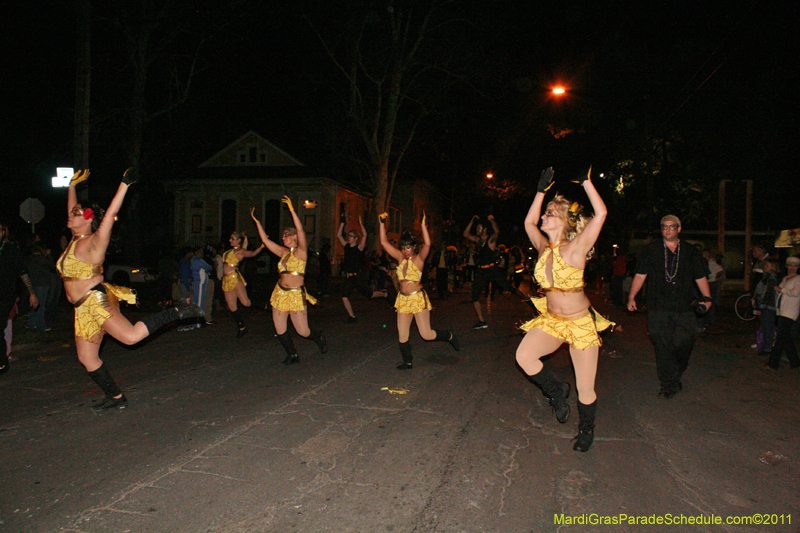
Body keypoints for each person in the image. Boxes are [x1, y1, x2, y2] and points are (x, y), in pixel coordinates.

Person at [57, 169, 203, 409]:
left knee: (131, 337)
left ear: (88, 219)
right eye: (71, 213)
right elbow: (72, 208)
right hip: (81, 308)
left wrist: (124, 184)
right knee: (87, 357)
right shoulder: (73, 239)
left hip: (96, 301)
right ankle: (116, 397)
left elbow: (110, 214)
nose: (70, 215)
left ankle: (179, 311)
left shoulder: (94, 242)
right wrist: (71, 186)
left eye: (76, 213)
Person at [515, 167, 611, 453]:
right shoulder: (543, 245)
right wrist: (540, 191)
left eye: (549, 213)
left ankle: (586, 430)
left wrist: (587, 183)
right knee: (524, 356)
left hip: (580, 323)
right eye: (545, 212)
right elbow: (528, 222)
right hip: (552, 320)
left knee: (585, 387)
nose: (543, 217)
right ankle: (557, 392)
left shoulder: (577, 247)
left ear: (563, 221)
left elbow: (601, 214)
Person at [627, 214, 712, 399]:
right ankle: (668, 383)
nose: (668, 230)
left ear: (679, 229)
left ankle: (675, 372)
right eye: (664, 226)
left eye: (672, 227)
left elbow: (700, 276)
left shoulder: (690, 251)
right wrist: (632, 296)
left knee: (685, 341)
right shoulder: (651, 250)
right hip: (658, 305)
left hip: (684, 306)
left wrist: (707, 298)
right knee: (662, 344)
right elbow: (640, 275)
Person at [379, 212, 459, 370]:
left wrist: (423, 225)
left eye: (408, 247)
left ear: (414, 247)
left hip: (417, 298)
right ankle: (408, 361)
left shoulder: (419, 259)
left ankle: (449, 335)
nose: (406, 250)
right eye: (403, 247)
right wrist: (382, 223)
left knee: (426, 334)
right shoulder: (400, 258)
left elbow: (428, 245)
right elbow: (383, 242)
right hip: (403, 299)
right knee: (402, 334)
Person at [252, 198, 327, 365]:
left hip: (295, 295)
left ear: (294, 237)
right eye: (283, 235)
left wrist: (292, 210)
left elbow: (301, 230)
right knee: (280, 329)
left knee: (303, 331)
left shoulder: (301, 252)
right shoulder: (283, 252)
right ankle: (292, 354)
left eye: (287, 235)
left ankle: (318, 337)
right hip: (279, 293)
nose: (283, 237)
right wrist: (257, 222)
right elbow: (265, 241)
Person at [463, 215, 526, 329]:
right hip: (481, 271)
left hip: (492, 270)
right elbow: (466, 234)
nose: (477, 230)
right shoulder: (478, 241)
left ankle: (530, 302)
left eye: (479, 228)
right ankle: (482, 321)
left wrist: (491, 220)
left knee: (509, 288)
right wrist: (472, 221)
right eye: (477, 228)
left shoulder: (491, 240)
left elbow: (497, 231)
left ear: (485, 229)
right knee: (474, 295)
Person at [0, 221, 39, 374]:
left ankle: (2, 362)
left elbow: (23, 273)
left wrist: (32, 292)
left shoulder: (11, 250)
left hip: (5, 295)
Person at [221, 229, 265, 338]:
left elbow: (252, 253)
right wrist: (246, 238)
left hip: (234, 278)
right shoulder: (229, 252)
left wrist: (262, 246)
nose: (230, 240)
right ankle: (242, 328)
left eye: (232, 239)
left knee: (245, 302)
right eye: (230, 238)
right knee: (232, 307)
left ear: (238, 240)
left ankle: (264, 306)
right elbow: (244, 246)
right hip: (226, 279)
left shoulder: (240, 252)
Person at [766, 256, 800, 370]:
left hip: (790, 311)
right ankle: (795, 362)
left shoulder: (798, 279)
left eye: (794, 266)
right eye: (790, 265)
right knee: (786, 338)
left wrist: (782, 290)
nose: (792, 268)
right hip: (782, 310)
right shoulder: (786, 278)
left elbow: (795, 293)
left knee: (780, 338)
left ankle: (773, 363)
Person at [337, 214, 367, 323]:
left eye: (351, 236)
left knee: (369, 294)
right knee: (345, 296)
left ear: (355, 238)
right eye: (348, 236)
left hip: (356, 277)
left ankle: (385, 294)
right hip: (348, 277)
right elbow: (339, 235)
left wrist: (360, 224)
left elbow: (364, 235)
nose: (349, 238)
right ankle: (352, 317)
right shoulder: (346, 247)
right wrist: (342, 222)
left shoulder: (359, 248)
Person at [753, 258, 779, 356]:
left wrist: (759, 306)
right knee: (765, 327)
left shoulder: (771, 278)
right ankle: (766, 347)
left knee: (767, 327)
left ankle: (767, 348)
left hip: (768, 306)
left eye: (767, 266)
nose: (764, 267)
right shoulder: (767, 277)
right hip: (766, 306)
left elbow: (767, 294)